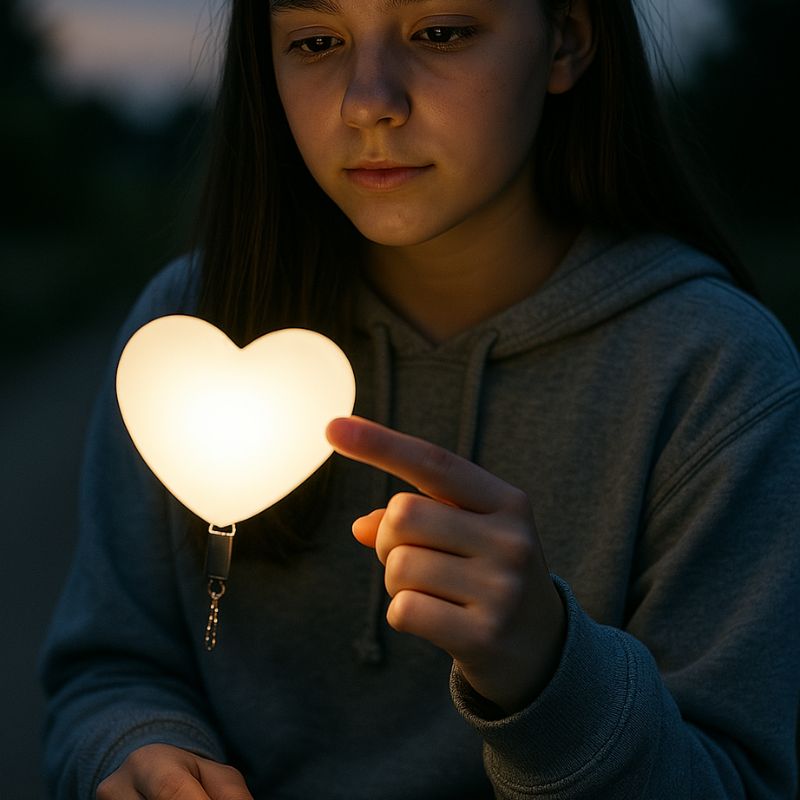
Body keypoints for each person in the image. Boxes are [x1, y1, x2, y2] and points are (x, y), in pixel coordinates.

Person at [40, 0, 800, 797]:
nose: (369, 100)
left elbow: (736, 779)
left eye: (441, 33)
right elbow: (109, 670)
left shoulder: (716, 374)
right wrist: (138, 750)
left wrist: (549, 675)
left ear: (568, 39)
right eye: (317, 41)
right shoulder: (189, 339)